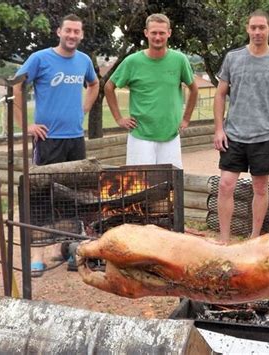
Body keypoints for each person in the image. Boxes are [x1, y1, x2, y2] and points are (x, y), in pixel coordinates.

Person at [13, 14, 99, 277]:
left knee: (76, 194)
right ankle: (36, 256)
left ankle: (72, 248)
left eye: (77, 31)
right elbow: (17, 86)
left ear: (81, 35)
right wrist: (25, 126)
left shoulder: (84, 60)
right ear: (58, 31)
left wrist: (84, 108)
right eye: (68, 31)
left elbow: (94, 84)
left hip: (75, 138)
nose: (72, 35)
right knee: (40, 195)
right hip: (47, 140)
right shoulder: (40, 59)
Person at [213, 9, 269, 243]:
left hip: (265, 136)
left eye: (262, 27)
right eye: (253, 27)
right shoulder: (233, 58)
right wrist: (219, 129)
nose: (257, 32)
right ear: (247, 29)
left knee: (260, 188)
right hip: (234, 135)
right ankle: (224, 239)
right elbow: (220, 95)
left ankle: (255, 238)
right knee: (225, 185)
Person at [104, 13, 198, 169]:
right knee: (140, 185)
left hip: (170, 134)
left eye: (162, 33)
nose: (158, 37)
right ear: (146, 33)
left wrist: (186, 118)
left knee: (170, 185)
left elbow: (194, 90)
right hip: (140, 135)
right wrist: (119, 118)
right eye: (154, 32)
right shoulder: (132, 61)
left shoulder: (179, 60)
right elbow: (108, 87)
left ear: (169, 33)